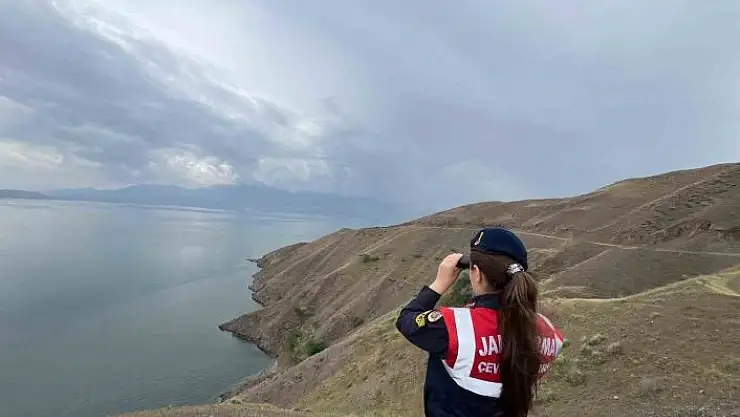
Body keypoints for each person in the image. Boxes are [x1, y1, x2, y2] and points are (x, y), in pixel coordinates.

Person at [395, 227, 564, 417]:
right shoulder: (548, 333)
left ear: (476, 273)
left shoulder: (457, 327)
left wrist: (439, 284)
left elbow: (407, 320)